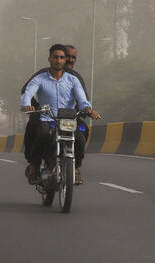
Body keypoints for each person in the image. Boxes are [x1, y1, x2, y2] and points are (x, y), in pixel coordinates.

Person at [20, 44, 99, 186]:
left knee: (81, 136)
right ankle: (33, 167)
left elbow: (83, 100)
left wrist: (88, 109)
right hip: (47, 117)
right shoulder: (40, 77)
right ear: (49, 59)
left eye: (63, 58)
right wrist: (29, 106)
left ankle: (75, 168)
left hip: (69, 119)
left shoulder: (74, 79)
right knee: (42, 133)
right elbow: (27, 93)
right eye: (56, 57)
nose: (61, 60)